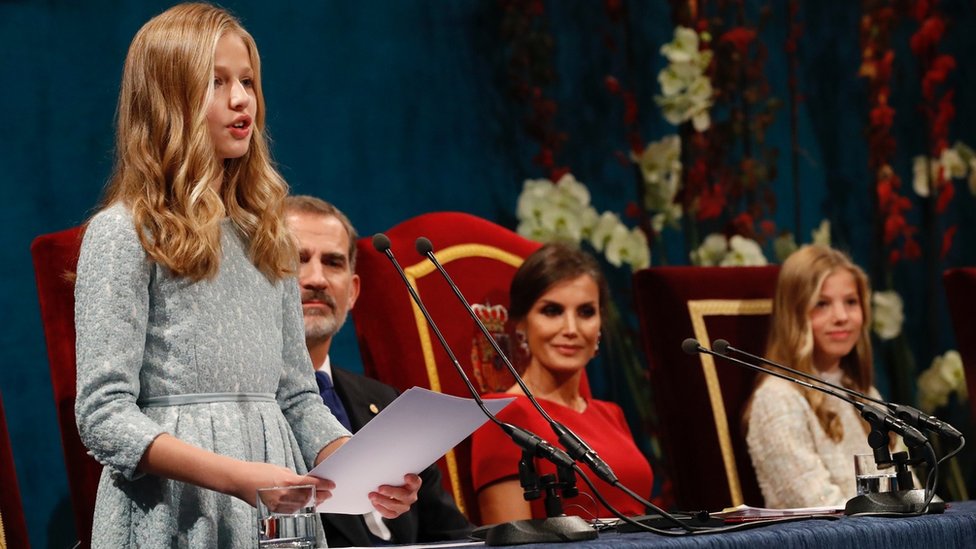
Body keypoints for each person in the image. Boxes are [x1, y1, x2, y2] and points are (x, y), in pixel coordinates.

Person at [73, 5, 417, 547]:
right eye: (216, 82)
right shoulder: (123, 233)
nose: (242, 100)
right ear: (167, 101)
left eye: (248, 82)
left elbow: (298, 397)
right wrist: (236, 477)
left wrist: (361, 466)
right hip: (176, 511)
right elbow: (103, 414)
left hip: (272, 511)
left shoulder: (268, 236)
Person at [284, 195, 474, 545]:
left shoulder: (386, 402)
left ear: (353, 291)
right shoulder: (250, 408)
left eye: (333, 262)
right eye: (298, 260)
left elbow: (450, 535)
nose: (317, 279)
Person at [470, 243, 653, 522]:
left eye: (586, 312)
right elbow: (512, 538)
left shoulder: (611, 414)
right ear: (520, 324)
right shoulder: (502, 415)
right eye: (552, 311)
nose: (571, 329)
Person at [743, 244, 886, 508]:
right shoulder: (777, 399)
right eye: (822, 304)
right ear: (794, 315)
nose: (842, 317)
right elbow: (818, 507)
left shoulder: (865, 395)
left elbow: (905, 495)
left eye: (851, 302)